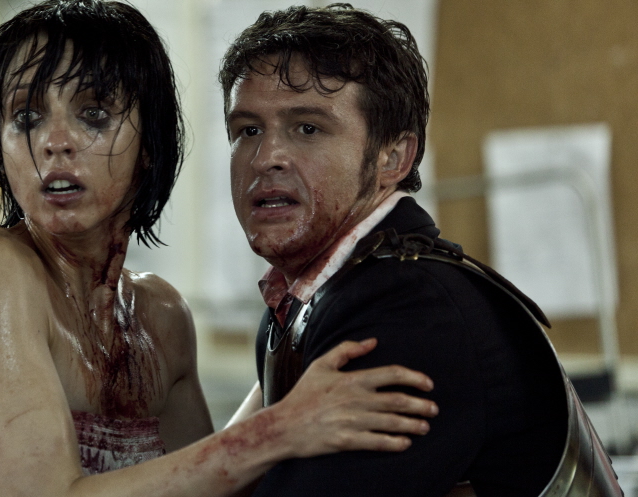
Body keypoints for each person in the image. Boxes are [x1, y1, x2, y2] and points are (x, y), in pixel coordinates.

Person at [0, 1, 441, 496]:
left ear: (151, 143)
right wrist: (279, 428)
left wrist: (308, 348)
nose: (54, 143)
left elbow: (209, 480)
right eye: (26, 118)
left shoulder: (162, 318)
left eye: (94, 114)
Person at [219, 4, 621, 496]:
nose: (266, 158)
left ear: (393, 157)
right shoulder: (300, 302)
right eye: (248, 130)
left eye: (308, 128)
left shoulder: (408, 309)